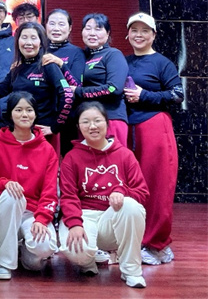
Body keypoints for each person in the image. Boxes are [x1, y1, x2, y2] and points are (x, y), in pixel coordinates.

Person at [58, 102, 149, 288]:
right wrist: (74, 223)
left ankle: (131, 271)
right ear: (78, 127)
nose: (92, 126)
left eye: (97, 121)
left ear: (107, 124)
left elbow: (142, 192)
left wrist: (121, 191)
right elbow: (68, 196)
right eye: (86, 122)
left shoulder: (125, 155)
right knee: (77, 250)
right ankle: (88, 261)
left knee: (131, 206)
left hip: (112, 218)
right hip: (84, 216)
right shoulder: (71, 158)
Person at [123, 13, 182, 266]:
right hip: (126, 127)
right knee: (130, 186)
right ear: (127, 34)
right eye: (134, 30)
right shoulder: (122, 61)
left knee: (158, 185)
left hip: (154, 126)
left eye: (145, 31)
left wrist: (144, 95)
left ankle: (157, 245)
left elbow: (177, 94)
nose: (139, 35)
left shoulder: (162, 63)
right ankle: (132, 241)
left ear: (154, 35)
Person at [0, 92, 59, 279]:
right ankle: (4, 262)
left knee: (44, 248)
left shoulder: (47, 150)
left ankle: (24, 252)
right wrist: (4, 184)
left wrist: (41, 219)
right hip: (3, 213)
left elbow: (50, 192)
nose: (24, 114)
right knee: (12, 195)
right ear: (10, 114)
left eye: (29, 110)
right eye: (18, 110)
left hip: (32, 213)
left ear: (35, 114)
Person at [0, 22, 76, 154]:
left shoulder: (48, 65)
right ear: (17, 42)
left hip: (43, 135)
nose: (28, 42)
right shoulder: (17, 68)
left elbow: (67, 95)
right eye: (24, 37)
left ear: (41, 43)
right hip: (20, 133)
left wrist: (55, 127)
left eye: (33, 38)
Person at [76, 13, 130, 146]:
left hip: (110, 119)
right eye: (88, 28)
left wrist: (79, 92)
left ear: (108, 33)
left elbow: (114, 88)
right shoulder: (81, 56)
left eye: (98, 28)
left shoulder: (113, 54)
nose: (92, 33)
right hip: (86, 120)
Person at [45, 8, 86, 84]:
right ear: (46, 26)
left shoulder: (77, 52)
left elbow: (77, 85)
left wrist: (61, 64)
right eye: (52, 24)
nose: (56, 28)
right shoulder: (40, 50)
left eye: (61, 24)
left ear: (70, 28)